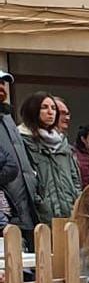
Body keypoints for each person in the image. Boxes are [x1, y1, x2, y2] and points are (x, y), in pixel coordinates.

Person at [16, 91, 82, 220]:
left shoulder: (62, 143)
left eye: (53, 108)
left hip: (69, 212)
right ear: (32, 110)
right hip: (39, 215)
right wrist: (39, 202)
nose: (51, 112)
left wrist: (76, 200)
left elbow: (75, 179)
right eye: (44, 107)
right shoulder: (22, 141)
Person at [0, 71, 41, 230]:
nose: (2, 87)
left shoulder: (7, 117)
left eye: (3, 83)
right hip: (7, 211)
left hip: (25, 207)